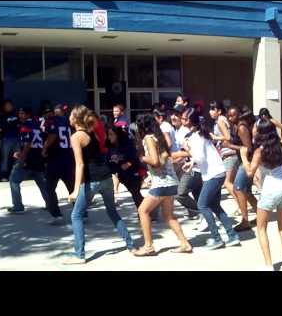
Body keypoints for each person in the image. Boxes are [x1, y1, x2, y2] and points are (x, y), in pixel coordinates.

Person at [63, 105, 136, 265]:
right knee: (112, 212)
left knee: (76, 215)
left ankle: (79, 255)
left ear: (75, 118)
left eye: (70, 115)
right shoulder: (92, 132)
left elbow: (80, 164)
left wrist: (75, 190)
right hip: (106, 178)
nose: (68, 117)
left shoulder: (76, 137)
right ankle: (131, 246)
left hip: (93, 180)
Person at [133, 113, 192, 256]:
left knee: (143, 211)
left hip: (162, 183)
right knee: (168, 215)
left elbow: (155, 161)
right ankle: (184, 243)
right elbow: (165, 157)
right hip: (171, 181)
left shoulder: (148, 138)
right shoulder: (159, 137)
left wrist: (141, 158)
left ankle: (148, 246)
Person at [181, 109, 241, 251]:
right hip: (217, 172)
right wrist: (192, 162)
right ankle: (232, 236)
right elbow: (202, 156)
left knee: (202, 205)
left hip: (213, 174)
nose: (182, 120)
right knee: (215, 206)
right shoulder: (201, 134)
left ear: (190, 121)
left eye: (184, 118)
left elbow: (200, 157)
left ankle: (216, 238)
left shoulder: (196, 137)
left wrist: (190, 162)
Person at [240, 120, 282, 271]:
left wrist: (244, 157)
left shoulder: (259, 151)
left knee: (261, 228)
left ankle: (268, 265)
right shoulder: (281, 147)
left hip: (269, 191)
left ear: (261, 133)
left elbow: (250, 172)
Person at [7, 107, 50, 214]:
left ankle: (18, 207)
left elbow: (28, 143)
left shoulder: (26, 125)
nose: (20, 115)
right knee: (41, 181)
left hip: (29, 157)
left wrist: (22, 157)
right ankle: (50, 204)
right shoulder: (38, 125)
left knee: (14, 180)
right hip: (38, 157)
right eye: (19, 113)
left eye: (22, 113)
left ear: (28, 115)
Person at [225, 106, 259, 231]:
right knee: (247, 192)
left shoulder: (241, 127)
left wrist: (230, 145)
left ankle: (245, 221)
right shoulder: (235, 127)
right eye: (228, 115)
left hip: (247, 162)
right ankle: (260, 215)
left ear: (239, 115)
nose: (230, 118)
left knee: (238, 188)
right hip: (243, 161)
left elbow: (248, 148)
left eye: (232, 115)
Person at [41, 104, 74, 224]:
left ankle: (56, 214)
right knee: (72, 187)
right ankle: (81, 212)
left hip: (55, 158)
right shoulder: (69, 122)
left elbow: (53, 135)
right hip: (68, 157)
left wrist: (44, 148)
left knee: (49, 188)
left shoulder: (52, 121)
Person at [170, 106, 201, 220]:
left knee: (180, 193)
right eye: (172, 115)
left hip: (192, 166)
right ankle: (199, 213)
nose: (173, 117)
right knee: (196, 192)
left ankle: (200, 210)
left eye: (177, 116)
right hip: (186, 165)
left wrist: (174, 158)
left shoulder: (186, 131)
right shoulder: (177, 130)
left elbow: (190, 152)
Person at [209, 101, 239, 207]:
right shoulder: (222, 119)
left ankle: (242, 205)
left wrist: (214, 137)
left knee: (227, 183)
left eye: (213, 109)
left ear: (219, 111)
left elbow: (227, 137)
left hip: (229, 154)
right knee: (233, 183)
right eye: (210, 109)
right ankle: (243, 204)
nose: (210, 112)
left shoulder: (220, 120)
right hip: (230, 153)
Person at [0, 100, 20, 181]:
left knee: (17, 157)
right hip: (7, 138)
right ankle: (3, 176)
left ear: (12, 106)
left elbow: (20, 124)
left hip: (17, 138)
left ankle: (16, 175)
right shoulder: (2, 115)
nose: (8, 106)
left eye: (9, 105)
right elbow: (1, 128)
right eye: (6, 105)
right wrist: (12, 124)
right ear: (4, 107)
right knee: (5, 158)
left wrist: (11, 124)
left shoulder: (17, 113)